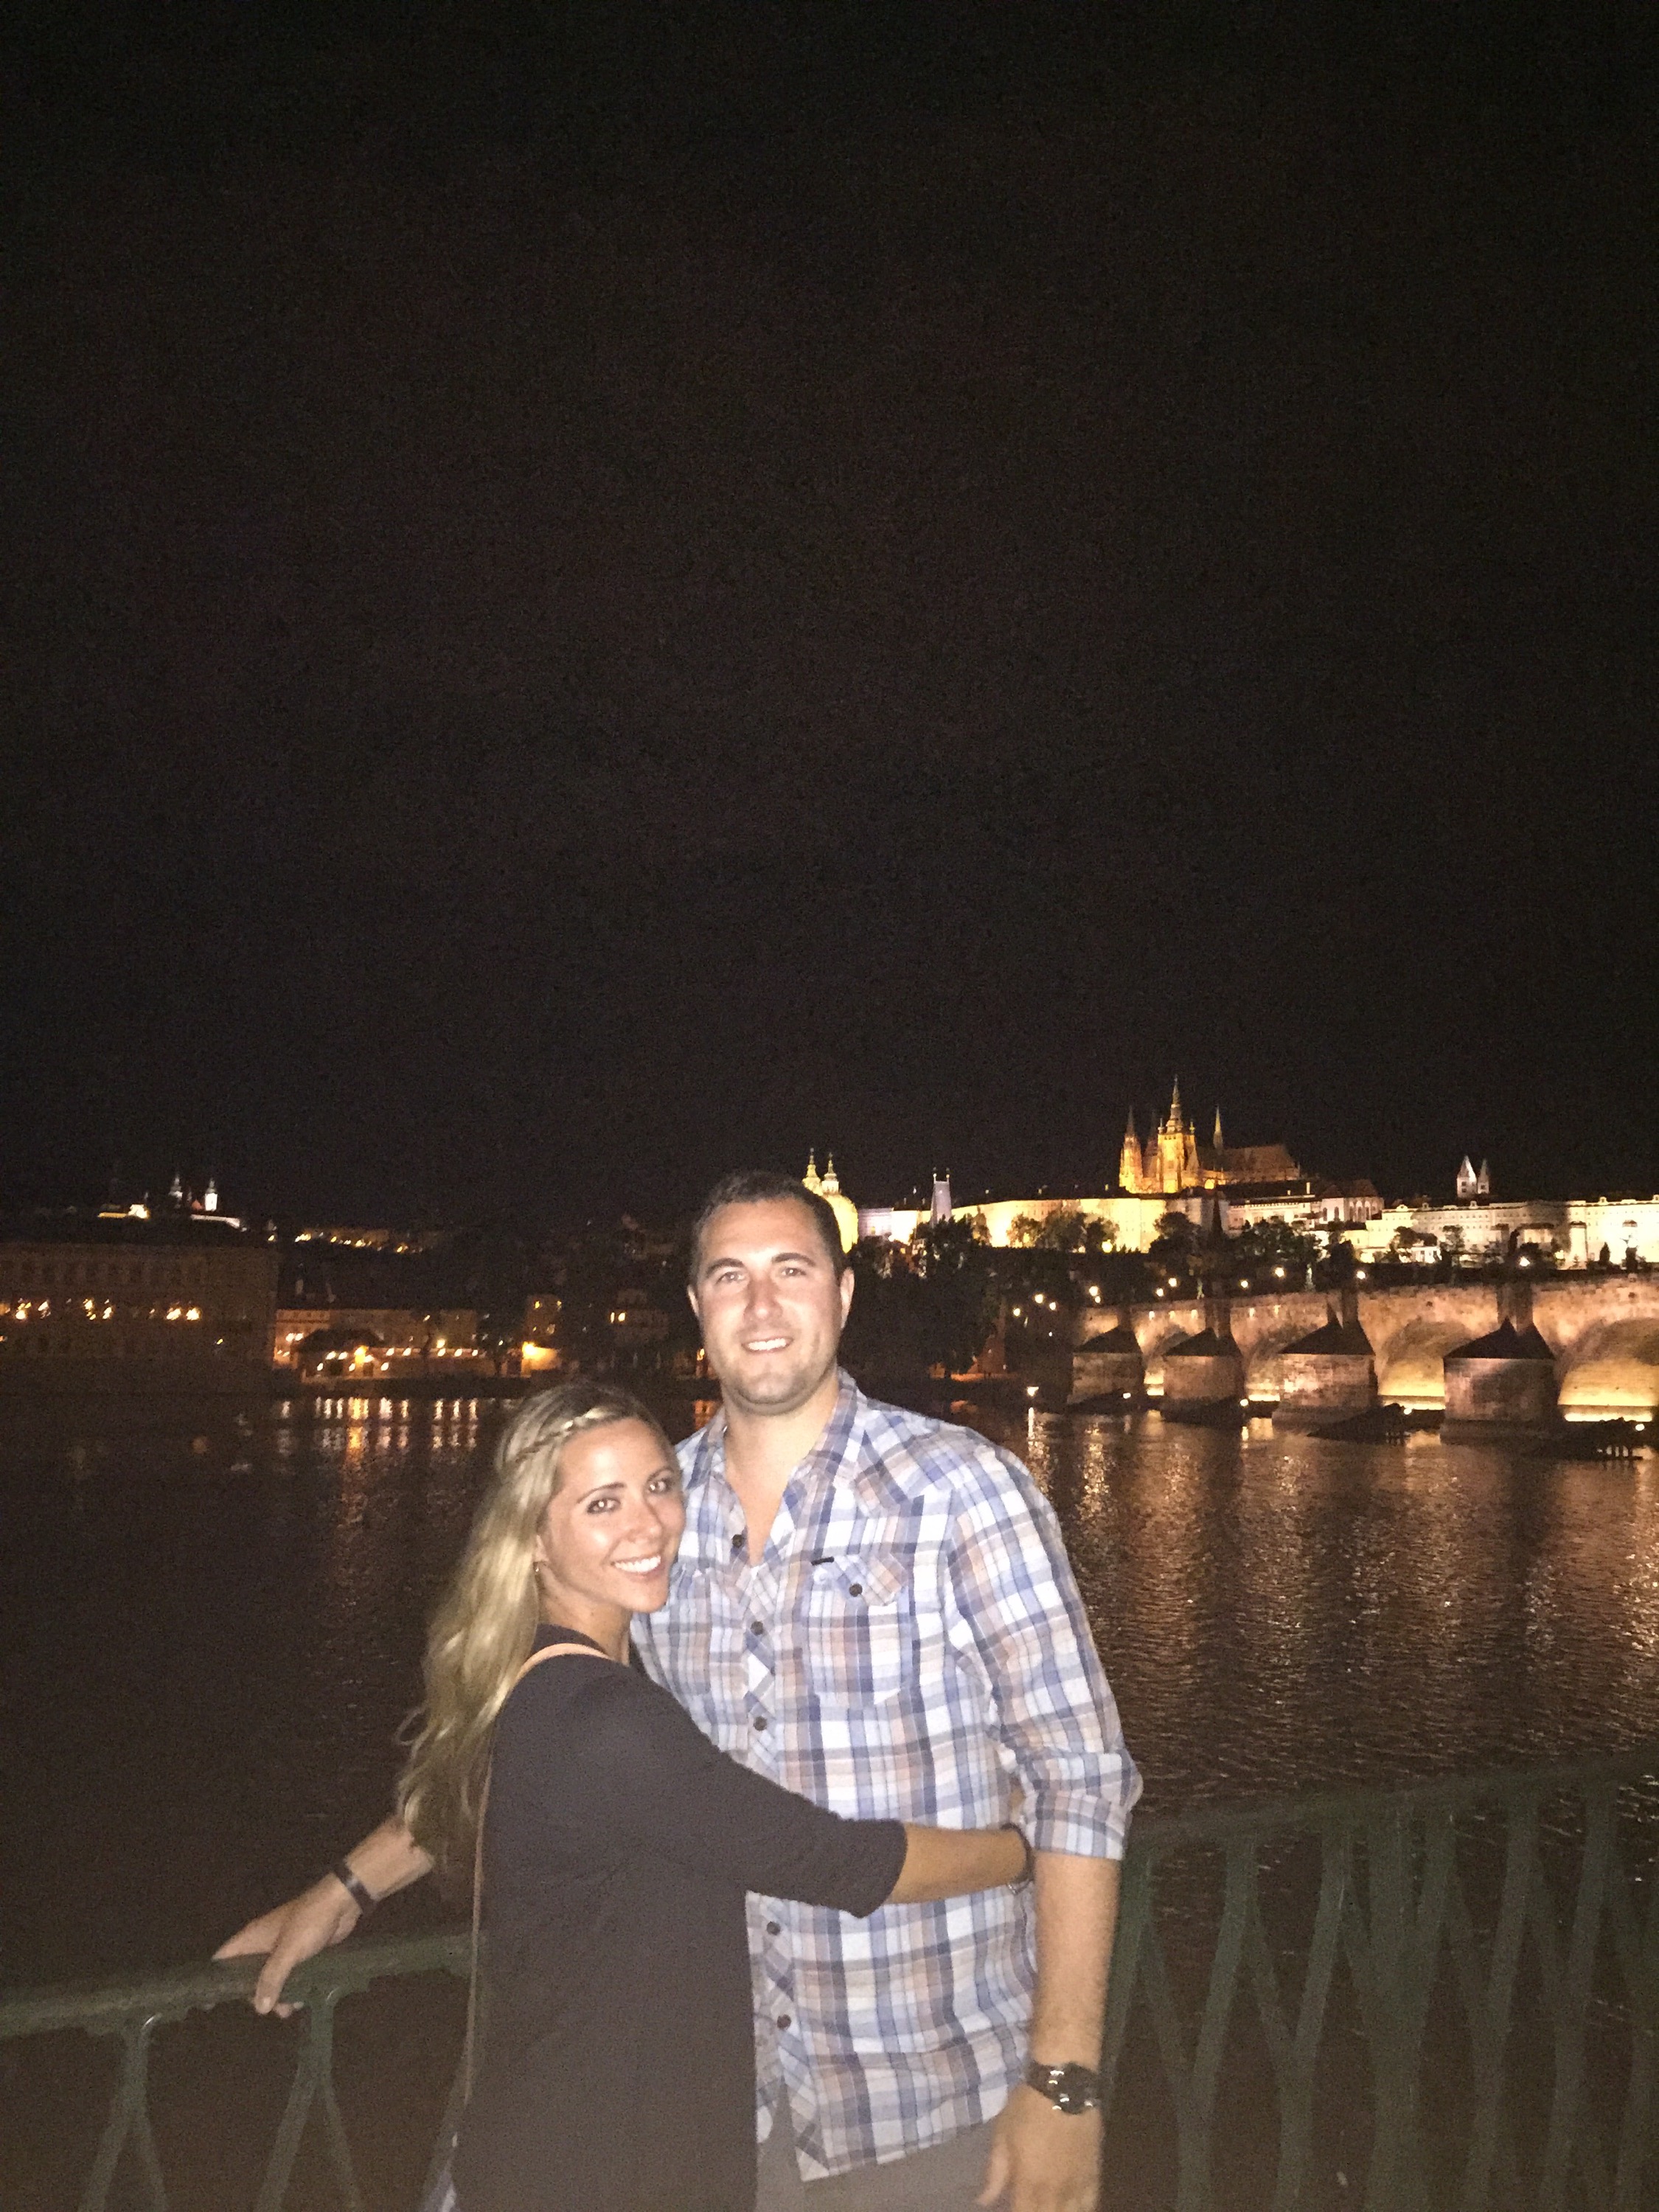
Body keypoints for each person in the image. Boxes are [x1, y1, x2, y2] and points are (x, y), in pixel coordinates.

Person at [220, 1170, 1140, 2212]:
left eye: (792, 1271)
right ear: (697, 1306)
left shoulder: (964, 1491)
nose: (761, 1304)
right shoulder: (655, 1518)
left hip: (931, 2099)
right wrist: (346, 1890)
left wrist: (1063, 2079)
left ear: (843, 1294)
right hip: (717, 2106)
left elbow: (1079, 1782)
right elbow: (541, 1748)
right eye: (730, 1276)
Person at [332, 1379, 1032, 2212]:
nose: (649, 1524)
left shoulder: (533, 1680)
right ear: (533, 1540)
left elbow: (459, 1797)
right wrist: (1027, 1850)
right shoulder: (609, 1721)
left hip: (547, 2126)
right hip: (606, 2158)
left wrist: (343, 1889)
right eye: (602, 1503)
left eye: (660, 1486)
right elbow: (838, 1861)